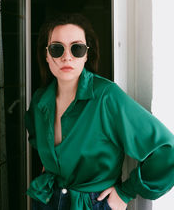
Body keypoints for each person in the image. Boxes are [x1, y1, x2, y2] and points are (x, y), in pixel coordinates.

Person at [25, 13, 174, 210]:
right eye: (56, 48)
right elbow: (37, 138)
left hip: (92, 204)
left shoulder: (106, 97)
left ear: (87, 54)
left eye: (76, 48)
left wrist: (126, 192)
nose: (66, 56)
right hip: (46, 200)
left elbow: (166, 151)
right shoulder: (39, 100)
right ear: (46, 55)